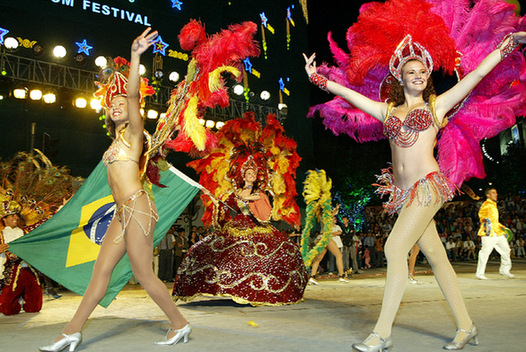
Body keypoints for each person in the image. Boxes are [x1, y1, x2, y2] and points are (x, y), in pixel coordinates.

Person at [304, 20, 526, 351]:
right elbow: (349, 94)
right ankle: (466, 326)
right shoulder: (386, 110)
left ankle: (382, 333)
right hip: (404, 192)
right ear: (401, 78)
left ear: (427, 76)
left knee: (395, 248)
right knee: (437, 257)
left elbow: (476, 76)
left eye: (422, 71)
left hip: (428, 185)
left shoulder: (437, 105)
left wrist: (509, 44)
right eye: (411, 72)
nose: (418, 75)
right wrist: (318, 79)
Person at [39, 28, 190, 352]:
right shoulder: (115, 141)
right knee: (100, 271)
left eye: (122, 102)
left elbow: (134, 95)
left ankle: (179, 324)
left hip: (138, 207)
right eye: (113, 103)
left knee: (144, 275)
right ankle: (72, 331)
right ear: (107, 111)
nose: (118, 104)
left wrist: (135, 56)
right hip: (122, 213)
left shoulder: (136, 135)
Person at [173, 139, 308, 306]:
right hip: (235, 226)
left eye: (254, 174)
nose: (251, 176)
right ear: (243, 175)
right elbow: (223, 206)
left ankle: (257, 290)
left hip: (255, 225)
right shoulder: (234, 192)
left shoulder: (260, 193)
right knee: (206, 249)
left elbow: (253, 201)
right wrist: (213, 198)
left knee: (276, 251)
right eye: (248, 173)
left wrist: (242, 196)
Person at [0, 201, 43, 315]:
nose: (16, 217)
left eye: (17, 215)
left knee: (35, 307)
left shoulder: (26, 232)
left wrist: (62, 208)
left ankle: (21, 298)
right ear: (4, 218)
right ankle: (13, 298)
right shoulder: (1, 235)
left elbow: (44, 224)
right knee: (8, 310)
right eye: (12, 215)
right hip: (10, 273)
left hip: (29, 271)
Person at [475, 188, 515, 280]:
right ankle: (480, 273)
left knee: (506, 250)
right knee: (485, 252)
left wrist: (502, 226)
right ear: (488, 195)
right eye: (493, 193)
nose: (496, 194)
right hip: (488, 232)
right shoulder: (486, 204)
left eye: (496, 193)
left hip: (497, 232)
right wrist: (484, 220)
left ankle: (505, 270)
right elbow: (481, 215)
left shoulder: (494, 205)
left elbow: (494, 221)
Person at [309, 216, 350, 284]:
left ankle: (312, 276)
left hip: (322, 237)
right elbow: (329, 218)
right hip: (326, 238)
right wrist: (334, 212)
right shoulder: (325, 215)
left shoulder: (321, 216)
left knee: (318, 258)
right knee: (339, 255)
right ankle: (342, 275)